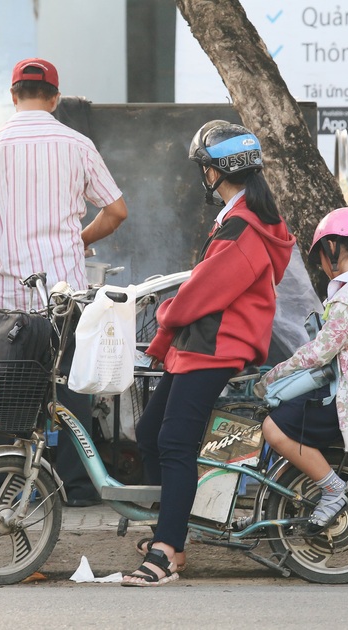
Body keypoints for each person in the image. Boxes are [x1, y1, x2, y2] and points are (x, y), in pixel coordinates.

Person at [122, 121, 295, 586]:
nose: (203, 176)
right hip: (202, 345)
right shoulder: (239, 218)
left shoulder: (242, 227)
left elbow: (201, 292)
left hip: (215, 348)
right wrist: (164, 338)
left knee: (176, 443)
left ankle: (165, 554)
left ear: (218, 171)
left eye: (204, 168)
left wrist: (164, 315)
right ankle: (172, 537)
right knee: (150, 431)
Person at [0, 58, 128, 507]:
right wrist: (80, 239)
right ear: (54, 98)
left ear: (13, 95)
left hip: (8, 297)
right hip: (64, 300)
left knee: (1, 393)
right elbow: (116, 211)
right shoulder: (78, 145)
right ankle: (76, 486)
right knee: (71, 391)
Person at [254, 207, 348, 533]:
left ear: (333, 248)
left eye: (321, 252)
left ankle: (334, 490)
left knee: (273, 428)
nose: (320, 263)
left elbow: (319, 352)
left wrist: (273, 375)